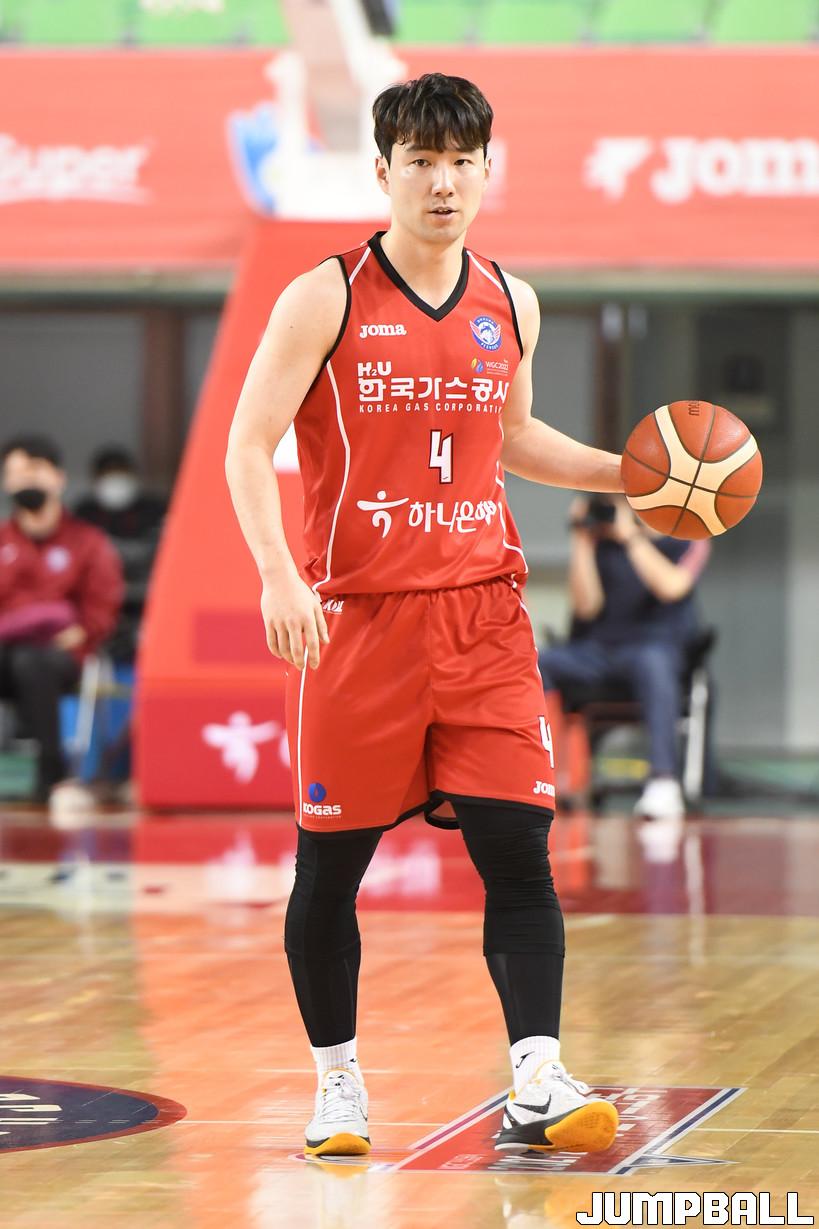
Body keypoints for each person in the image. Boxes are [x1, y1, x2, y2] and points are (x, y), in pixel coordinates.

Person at [225, 74, 624, 1159]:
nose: (443, 183)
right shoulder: (325, 295)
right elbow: (247, 443)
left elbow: (515, 437)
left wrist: (629, 472)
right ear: (383, 171)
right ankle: (338, 1083)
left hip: (484, 616)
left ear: (487, 169)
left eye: (461, 162)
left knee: (519, 847)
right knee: (330, 870)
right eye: (421, 162)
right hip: (358, 621)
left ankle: (536, 1075)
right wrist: (278, 574)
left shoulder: (511, 299)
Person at [538, 494, 711, 821]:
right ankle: (541, 775)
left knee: (653, 662)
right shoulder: (600, 542)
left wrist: (631, 536)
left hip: (655, 651)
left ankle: (663, 781)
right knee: (540, 662)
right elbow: (586, 606)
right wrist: (581, 539)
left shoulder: (688, 539)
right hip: (598, 653)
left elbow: (671, 587)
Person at [0, 435, 124, 817]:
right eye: (16, 473)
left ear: (59, 477)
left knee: (32, 663)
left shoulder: (88, 542)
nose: (26, 480)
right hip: (5, 651)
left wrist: (83, 631)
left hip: (61, 654)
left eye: (34, 470)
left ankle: (51, 775)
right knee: (20, 659)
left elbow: (103, 606)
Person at [74, 446, 166, 662]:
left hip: (147, 588)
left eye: (120, 472)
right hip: (98, 590)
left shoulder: (154, 508)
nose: (115, 480)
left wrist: (110, 548)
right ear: (95, 479)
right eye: (108, 473)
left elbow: (163, 546)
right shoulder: (84, 511)